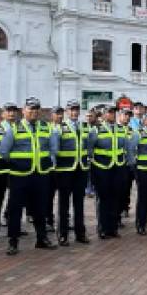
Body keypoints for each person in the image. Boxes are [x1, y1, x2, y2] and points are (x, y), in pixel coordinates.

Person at [0, 97, 57, 256]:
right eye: (30, 109)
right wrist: (17, 163)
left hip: (41, 175)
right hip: (20, 176)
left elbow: (52, 149)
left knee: (40, 208)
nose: (34, 112)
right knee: (15, 210)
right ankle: (13, 242)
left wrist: (48, 162)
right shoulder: (14, 128)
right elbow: (4, 151)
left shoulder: (46, 127)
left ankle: (41, 239)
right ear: (23, 111)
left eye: (36, 109)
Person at [55, 100, 91, 245]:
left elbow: (88, 146)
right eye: (72, 110)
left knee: (79, 203)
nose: (75, 112)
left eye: (77, 110)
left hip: (80, 170)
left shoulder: (84, 127)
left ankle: (80, 233)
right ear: (67, 111)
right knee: (64, 204)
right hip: (64, 171)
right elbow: (55, 150)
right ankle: (63, 234)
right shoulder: (60, 128)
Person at [89, 105, 128, 239]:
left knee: (115, 199)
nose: (112, 115)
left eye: (114, 112)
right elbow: (90, 150)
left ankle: (113, 228)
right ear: (103, 115)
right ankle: (103, 229)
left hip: (117, 168)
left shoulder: (121, 129)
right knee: (103, 200)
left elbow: (125, 148)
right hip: (101, 169)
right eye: (110, 113)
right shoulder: (96, 130)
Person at [0, 102, 18, 240]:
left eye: (13, 111)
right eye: (8, 111)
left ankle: (11, 223)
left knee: (15, 200)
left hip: (15, 168)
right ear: (3, 113)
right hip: (0, 169)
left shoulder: (21, 127)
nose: (11, 113)